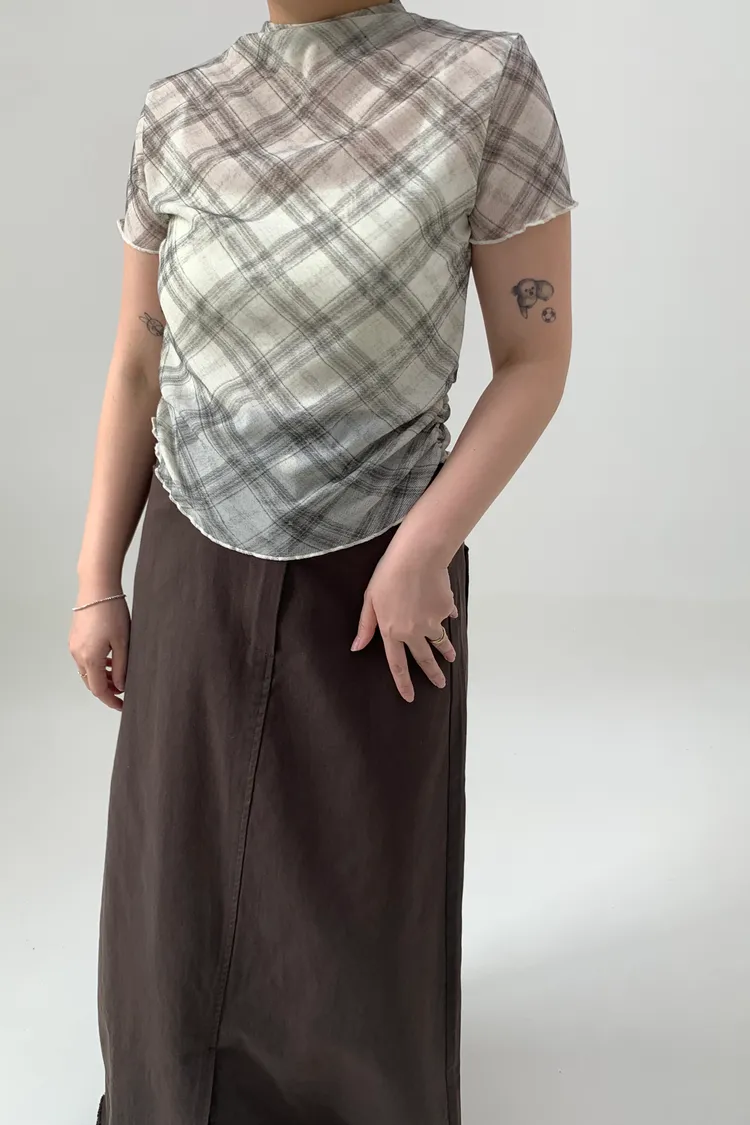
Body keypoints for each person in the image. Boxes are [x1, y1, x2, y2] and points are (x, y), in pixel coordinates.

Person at [69, 1, 577, 1122]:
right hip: (193, 546)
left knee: (356, 871)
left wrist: (425, 548)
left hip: (383, 560)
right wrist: (99, 578)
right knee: (179, 872)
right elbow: (139, 367)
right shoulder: (181, 110)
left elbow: (536, 356)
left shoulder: (480, 82)